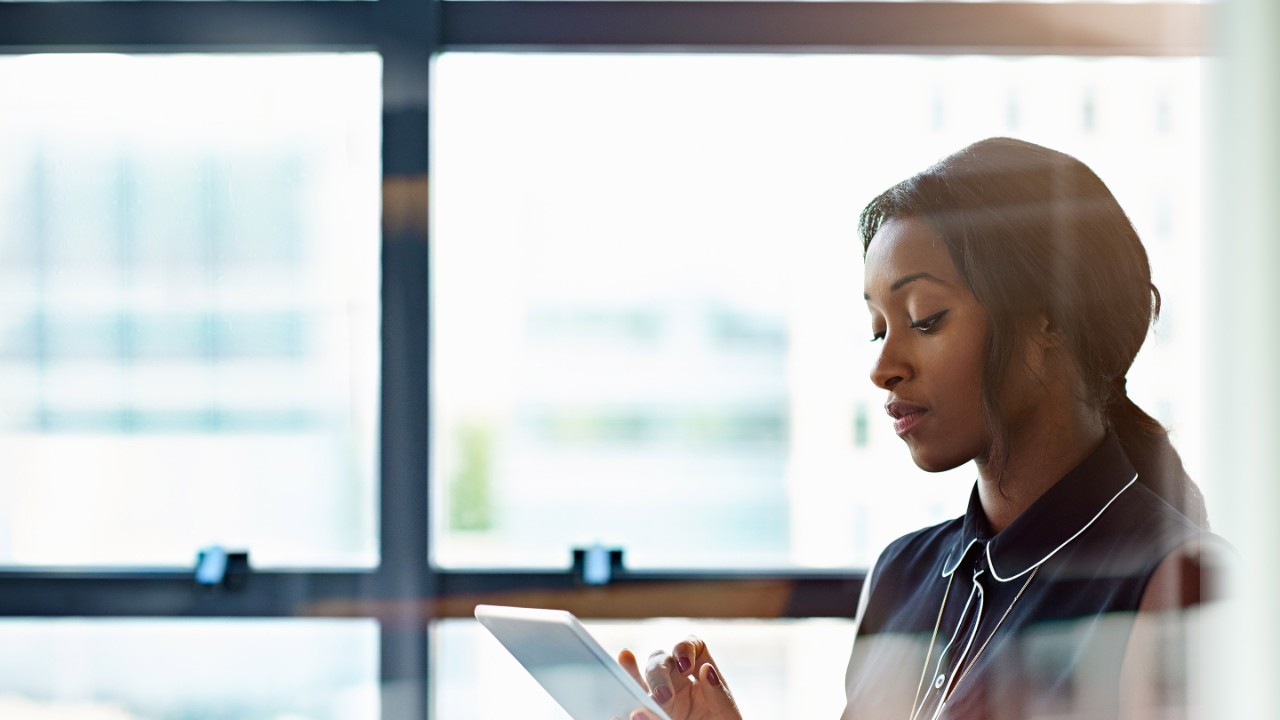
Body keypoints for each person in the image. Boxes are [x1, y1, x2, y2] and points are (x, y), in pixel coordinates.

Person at [618, 137, 1226, 720]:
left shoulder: (1183, 581)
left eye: (925, 319)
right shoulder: (901, 575)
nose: (883, 368)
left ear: (1052, 321)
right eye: (879, 328)